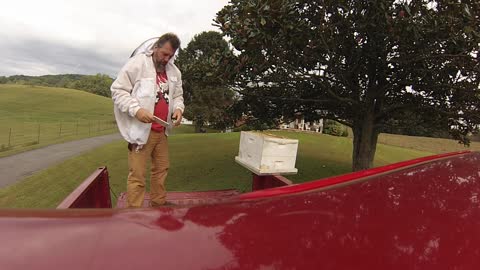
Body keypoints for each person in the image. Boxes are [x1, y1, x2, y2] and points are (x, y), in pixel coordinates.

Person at [111, 33, 184, 207]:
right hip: (141, 133)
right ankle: (134, 213)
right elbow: (118, 91)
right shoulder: (137, 64)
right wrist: (136, 110)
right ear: (155, 47)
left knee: (161, 170)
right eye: (164, 54)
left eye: (171, 56)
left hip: (162, 132)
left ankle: (158, 205)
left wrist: (179, 109)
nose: (167, 59)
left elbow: (178, 95)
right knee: (137, 176)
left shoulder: (174, 71)